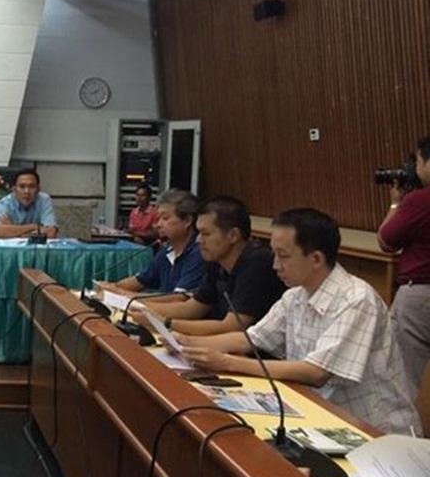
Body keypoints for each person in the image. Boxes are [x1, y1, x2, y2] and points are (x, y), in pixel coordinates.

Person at [179, 208, 420, 435]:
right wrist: (184, 343)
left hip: (373, 432)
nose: (275, 265)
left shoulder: (356, 299)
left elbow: (315, 372)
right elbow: (251, 339)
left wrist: (227, 362)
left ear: (316, 259)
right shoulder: (295, 295)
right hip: (321, 418)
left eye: (283, 256)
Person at [132, 196, 285, 336]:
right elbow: (192, 308)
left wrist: (165, 323)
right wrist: (136, 306)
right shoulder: (216, 261)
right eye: (198, 233)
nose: (198, 240)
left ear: (233, 235)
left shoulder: (257, 263)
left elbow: (232, 327)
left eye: (205, 234)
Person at [377, 134, 430, 391]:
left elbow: (387, 241)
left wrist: (396, 203)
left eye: (418, 161)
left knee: (404, 377)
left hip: (420, 296)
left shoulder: (420, 200)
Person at [98, 189, 204, 296]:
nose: (158, 224)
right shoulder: (167, 251)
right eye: (158, 219)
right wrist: (111, 287)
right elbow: (140, 280)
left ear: (187, 220)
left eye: (165, 218)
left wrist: (119, 292)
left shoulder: (199, 252)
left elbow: (178, 298)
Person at [0, 169, 58, 239]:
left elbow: (51, 232)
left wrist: (13, 231)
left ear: (38, 189)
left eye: (32, 186)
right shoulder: (4, 203)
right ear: (14, 189)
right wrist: (34, 226)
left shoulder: (44, 200)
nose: (27, 191)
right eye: (22, 186)